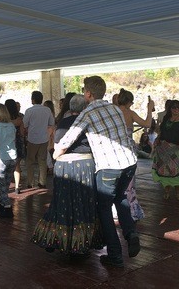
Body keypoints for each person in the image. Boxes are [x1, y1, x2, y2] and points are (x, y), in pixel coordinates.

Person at [54, 75, 140, 268]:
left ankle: (115, 255)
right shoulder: (115, 108)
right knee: (121, 198)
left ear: (88, 93)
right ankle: (131, 233)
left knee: (104, 209)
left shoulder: (87, 113)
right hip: (129, 163)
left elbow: (68, 138)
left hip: (109, 166)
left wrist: (56, 154)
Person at [33, 94, 103, 254]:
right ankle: (80, 243)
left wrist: (56, 156)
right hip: (83, 166)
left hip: (64, 166)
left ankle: (55, 237)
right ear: (85, 107)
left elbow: (57, 147)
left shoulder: (63, 123)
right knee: (83, 202)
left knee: (62, 202)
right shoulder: (88, 123)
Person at [117, 88, 154, 221]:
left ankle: (115, 209)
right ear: (128, 102)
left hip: (114, 149)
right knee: (129, 180)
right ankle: (131, 209)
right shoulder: (129, 113)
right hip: (127, 149)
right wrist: (149, 109)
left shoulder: (113, 112)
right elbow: (147, 124)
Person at [153, 99, 179, 200]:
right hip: (163, 148)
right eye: (174, 107)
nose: (176, 109)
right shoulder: (166, 118)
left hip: (177, 148)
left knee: (178, 171)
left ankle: (178, 191)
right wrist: (158, 139)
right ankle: (166, 191)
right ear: (170, 109)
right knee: (165, 171)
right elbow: (161, 132)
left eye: (178, 107)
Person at [23, 91, 55, 189]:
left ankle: (30, 182)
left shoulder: (29, 110)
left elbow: (25, 124)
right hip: (44, 138)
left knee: (30, 161)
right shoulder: (47, 110)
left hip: (32, 139)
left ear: (33, 99)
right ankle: (42, 182)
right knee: (42, 161)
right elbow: (51, 122)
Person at [4, 99, 25, 194]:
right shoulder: (20, 118)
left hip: (6, 143)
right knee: (17, 165)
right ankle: (17, 187)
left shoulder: (3, 119)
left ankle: (6, 186)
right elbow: (22, 133)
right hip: (17, 143)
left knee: (6, 166)